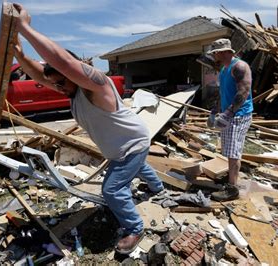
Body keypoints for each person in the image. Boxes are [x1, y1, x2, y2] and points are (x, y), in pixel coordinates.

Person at [11, 3, 164, 254]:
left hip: (132, 144)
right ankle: (158, 188)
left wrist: (25, 28)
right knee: (139, 166)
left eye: (61, 80)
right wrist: (20, 55)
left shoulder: (97, 85)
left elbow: (62, 61)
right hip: (124, 146)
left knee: (112, 189)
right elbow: (41, 74)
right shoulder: (70, 89)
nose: (58, 87)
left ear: (72, 72)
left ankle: (135, 227)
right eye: (55, 83)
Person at [206, 38, 253, 201]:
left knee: (233, 151)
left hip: (239, 115)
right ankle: (231, 179)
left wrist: (229, 113)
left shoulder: (239, 67)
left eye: (216, 53)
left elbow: (244, 92)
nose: (214, 56)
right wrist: (215, 111)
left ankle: (232, 189)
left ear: (224, 51)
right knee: (229, 150)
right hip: (230, 113)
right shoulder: (224, 69)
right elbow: (223, 93)